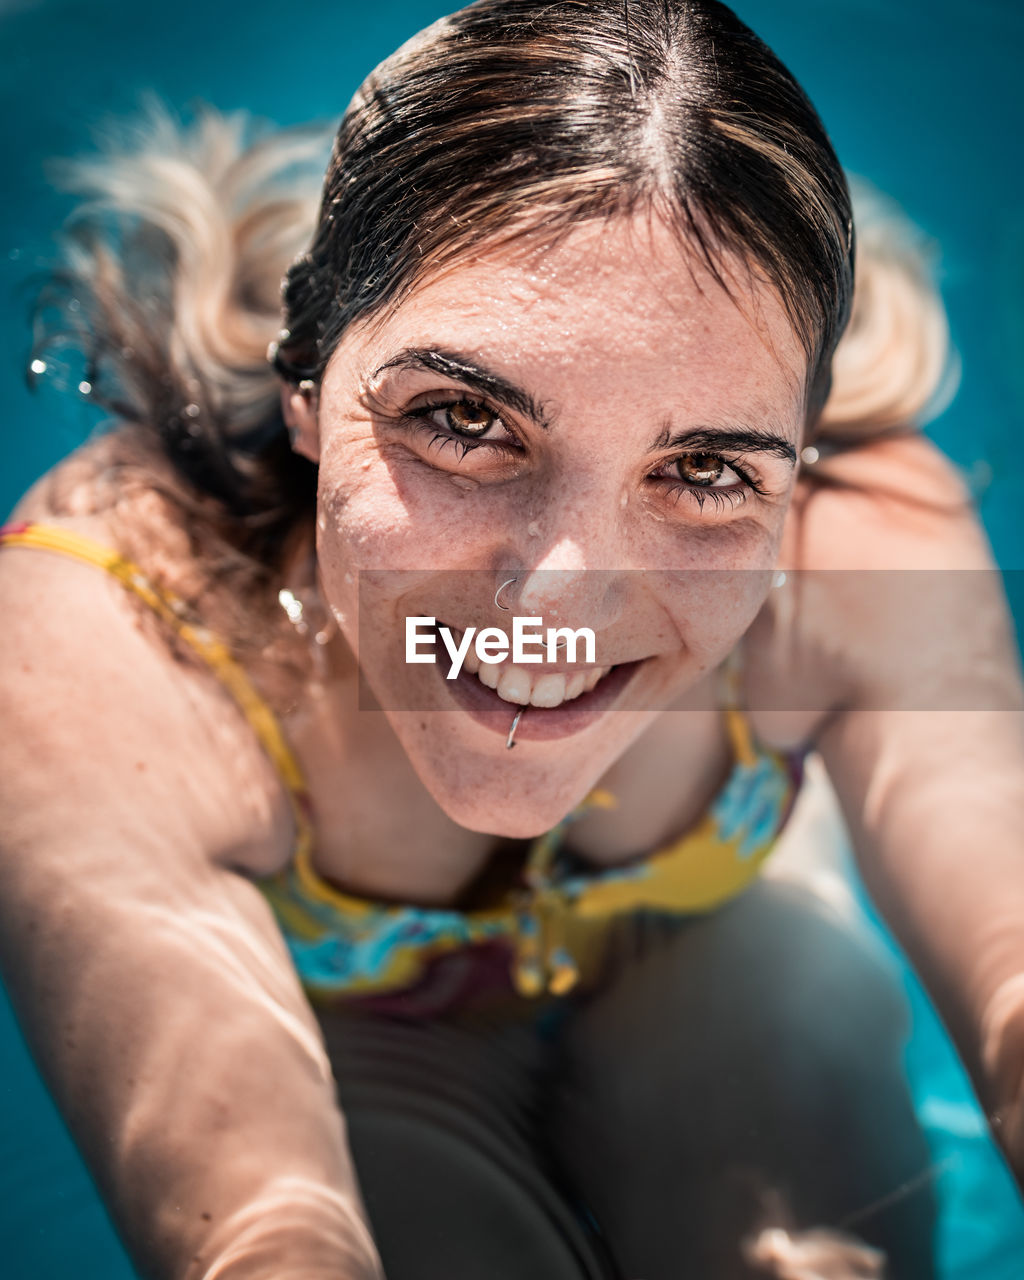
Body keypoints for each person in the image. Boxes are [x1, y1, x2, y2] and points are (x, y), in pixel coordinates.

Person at [1, 1, 1022, 1277]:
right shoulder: (119, 638)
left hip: (723, 947)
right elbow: (258, 1241)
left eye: (703, 466)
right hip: (358, 1032)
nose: (555, 606)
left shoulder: (855, 553)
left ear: (795, 470)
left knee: (788, 1037)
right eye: (463, 421)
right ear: (305, 385)